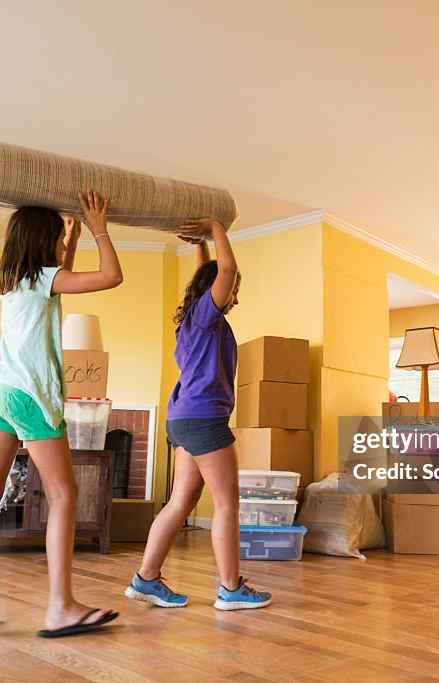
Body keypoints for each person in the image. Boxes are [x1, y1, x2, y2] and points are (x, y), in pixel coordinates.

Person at [0, 190, 123, 641]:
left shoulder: (12, 278)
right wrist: (97, 228)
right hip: (30, 395)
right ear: (44, 244)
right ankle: (60, 607)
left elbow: (60, 270)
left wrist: (68, 236)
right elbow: (111, 275)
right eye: (57, 241)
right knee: (65, 494)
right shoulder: (44, 278)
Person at [125, 217, 271, 610]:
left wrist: (199, 244)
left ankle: (146, 579)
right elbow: (226, 269)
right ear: (216, 291)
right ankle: (231, 589)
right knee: (227, 504)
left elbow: (211, 273)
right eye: (233, 290)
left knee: (180, 502)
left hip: (183, 419)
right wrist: (215, 225)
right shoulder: (207, 318)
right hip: (204, 419)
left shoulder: (195, 320)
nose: (235, 295)